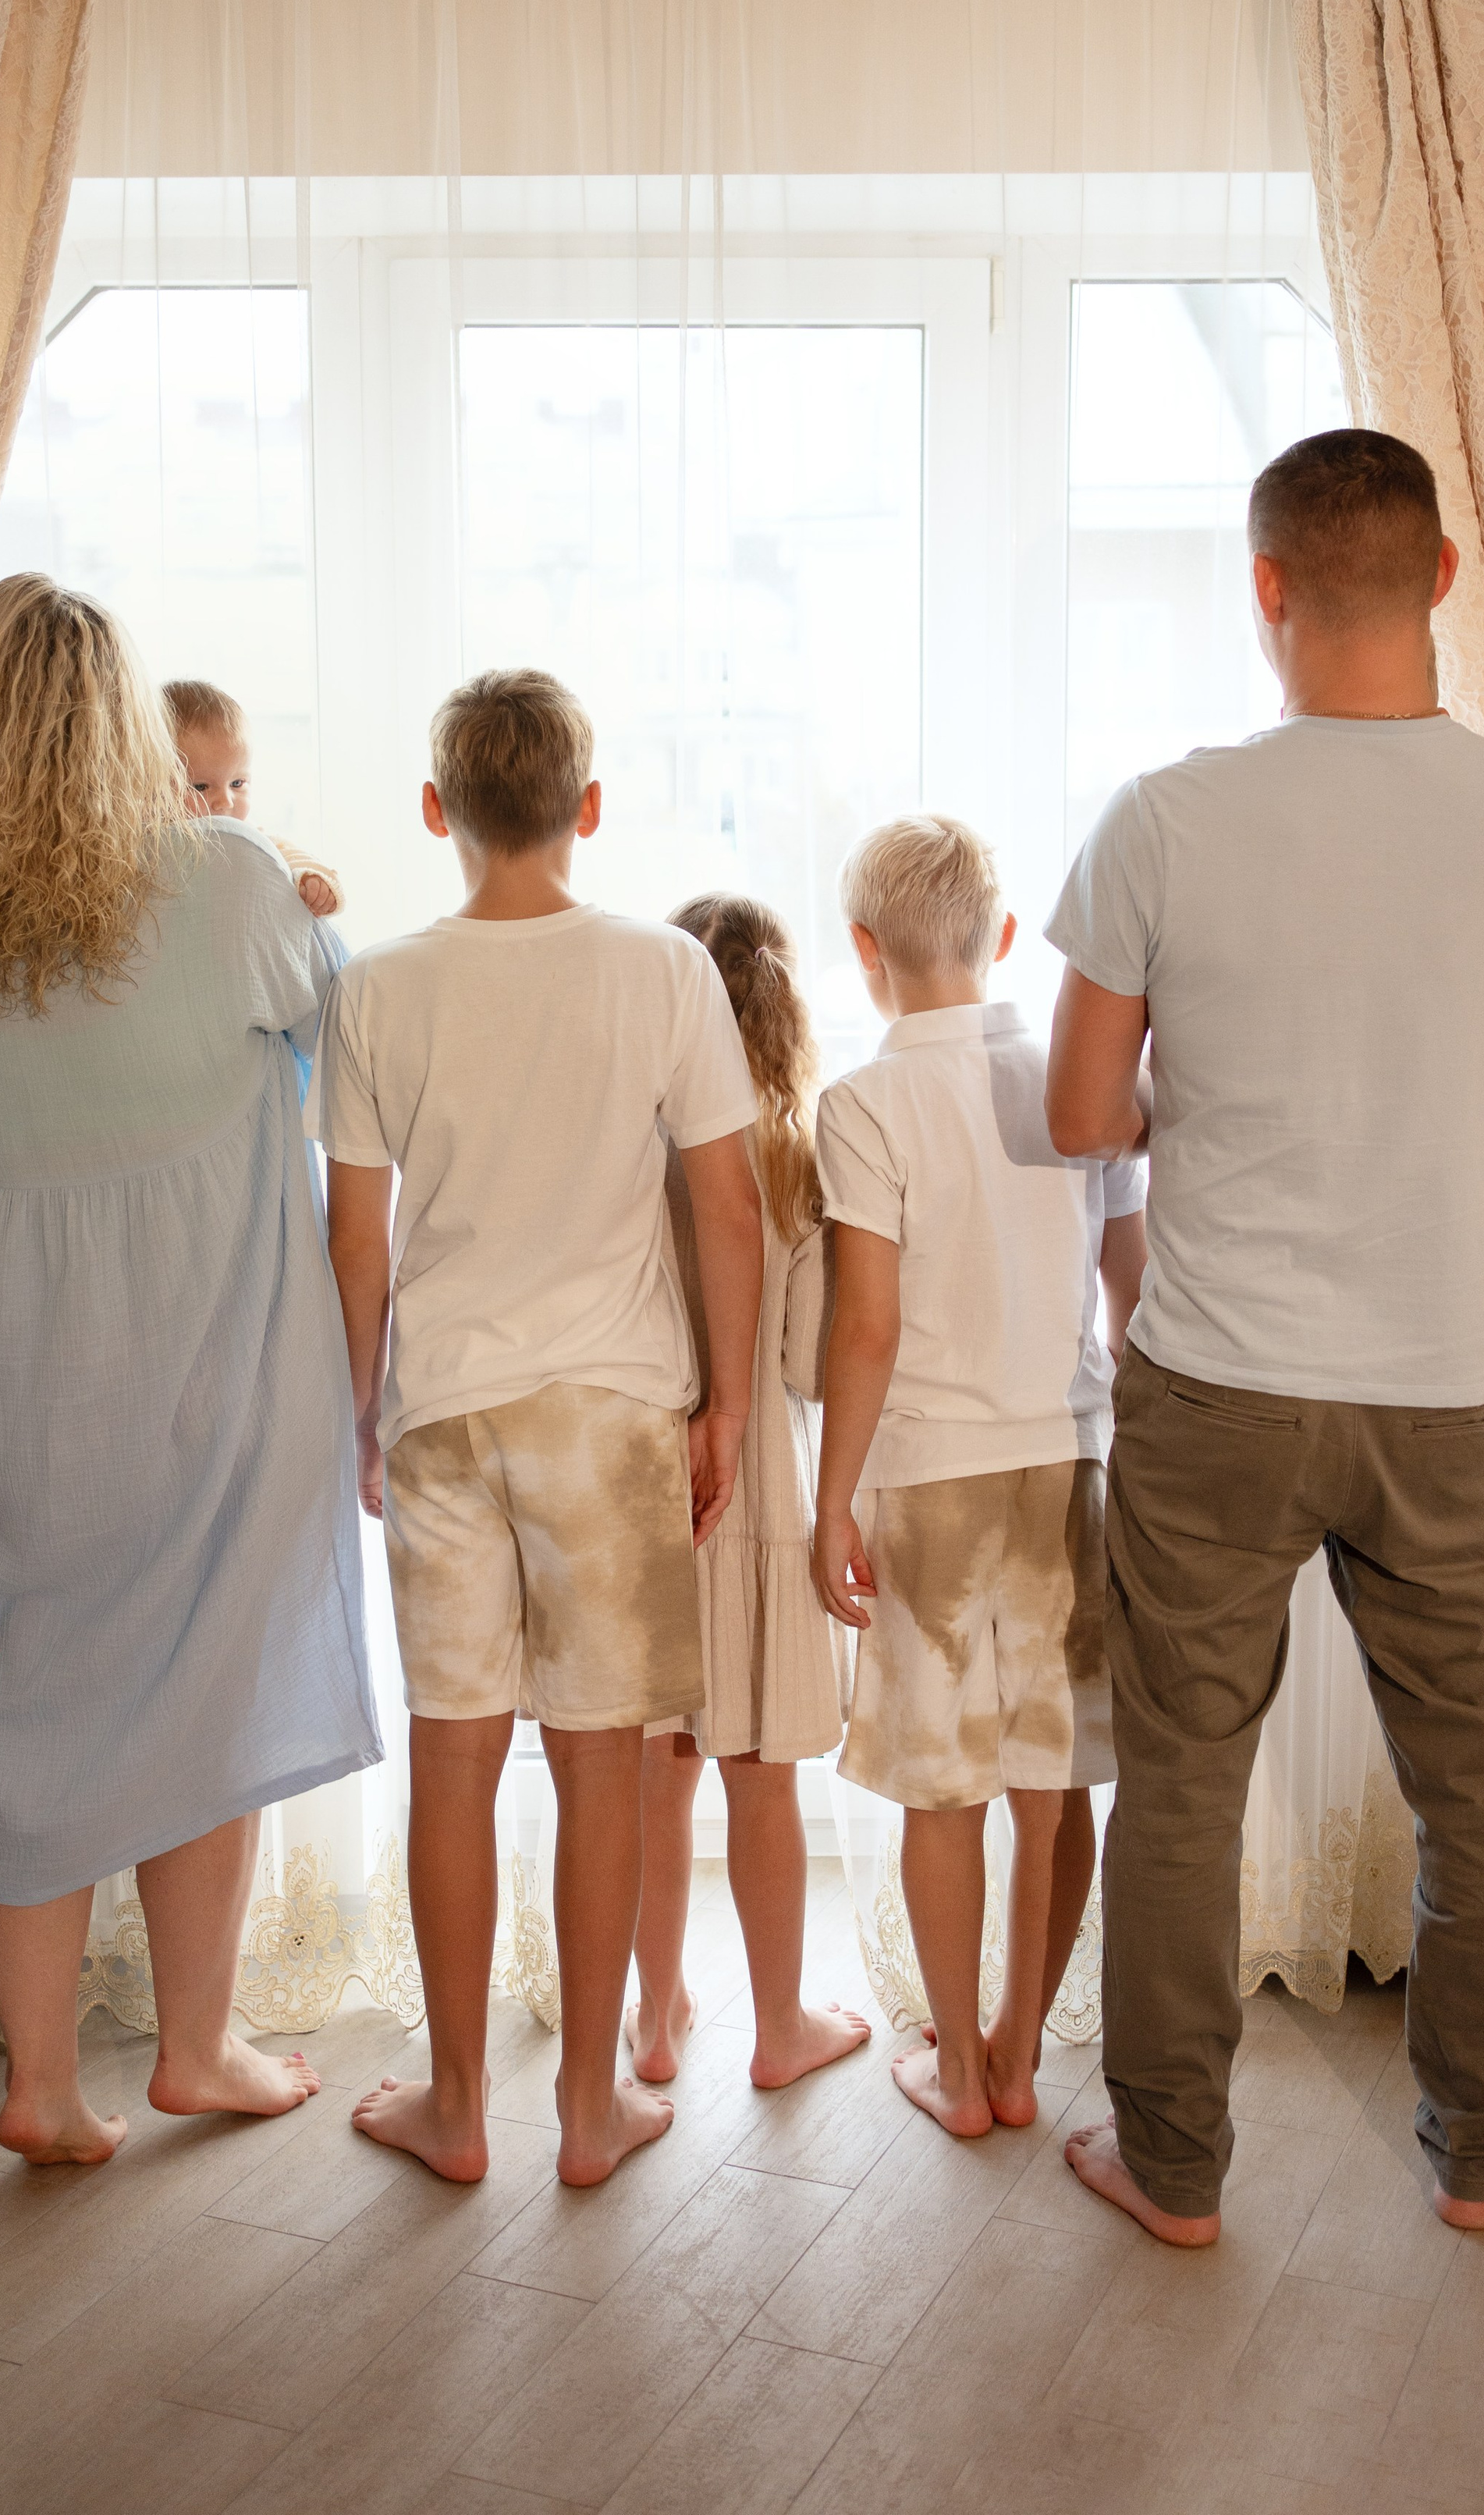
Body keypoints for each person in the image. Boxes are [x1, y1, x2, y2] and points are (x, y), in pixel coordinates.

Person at [1046, 426, 1484, 2250]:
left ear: (1264, 589)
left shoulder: (1163, 812)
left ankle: (1169, 2162)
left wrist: (1210, 1086)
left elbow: (1077, 1109)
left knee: (1180, 1779)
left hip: (1213, 1377)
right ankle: (1473, 2151)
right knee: (1475, 1775)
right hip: (1443, 1380)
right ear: (1439, 578)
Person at [0, 576, 379, 2168]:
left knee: (34, 1689)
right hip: (214, 1339)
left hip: (20, 1345)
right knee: (207, 1677)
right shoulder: (224, 882)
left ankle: (36, 2083)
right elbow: (339, 1033)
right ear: (115, 729)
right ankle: (200, 2044)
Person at [313, 670, 765, 2187]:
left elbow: (356, 1245)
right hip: (609, 1416)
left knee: (452, 1757)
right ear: (585, 809)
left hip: (441, 1409)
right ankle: (584, 2107)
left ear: (437, 813)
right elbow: (727, 1207)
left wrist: (362, 1413)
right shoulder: (659, 972)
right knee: (597, 1760)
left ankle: (452, 2109)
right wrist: (722, 1405)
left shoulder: (374, 987)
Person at [811, 815, 1149, 2138]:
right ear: (1003, 939)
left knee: (941, 1785)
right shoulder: (1081, 1082)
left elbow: (866, 1328)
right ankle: (1018, 2055)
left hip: (935, 1476)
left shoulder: (865, 1103)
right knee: (1054, 1781)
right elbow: (1128, 1287)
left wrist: (834, 1494)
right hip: (1071, 1457)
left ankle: (954, 2073)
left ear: (863, 953)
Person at [630, 894, 869, 2093]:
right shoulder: (788, 1151)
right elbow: (805, 1359)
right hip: (757, 1487)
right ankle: (781, 2029)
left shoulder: (630, 1141)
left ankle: (659, 2018)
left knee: (652, 1779)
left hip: (645, 1483)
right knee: (760, 1782)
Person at [164, 676, 343, 918]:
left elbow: (296, 858)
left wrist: (314, 881)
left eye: (237, 783)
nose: (225, 802)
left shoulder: (253, 839)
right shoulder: (147, 840)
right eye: (201, 787)